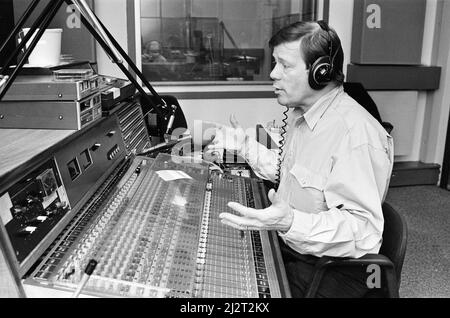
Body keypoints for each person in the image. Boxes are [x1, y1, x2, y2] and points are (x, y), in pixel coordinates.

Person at [205, 20, 394, 298]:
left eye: (285, 65)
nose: (273, 73)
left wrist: (291, 222)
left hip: (332, 268)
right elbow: (291, 174)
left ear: (320, 72)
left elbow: (363, 232)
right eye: (274, 63)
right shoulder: (301, 115)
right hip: (295, 247)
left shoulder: (357, 135)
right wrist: (245, 147)